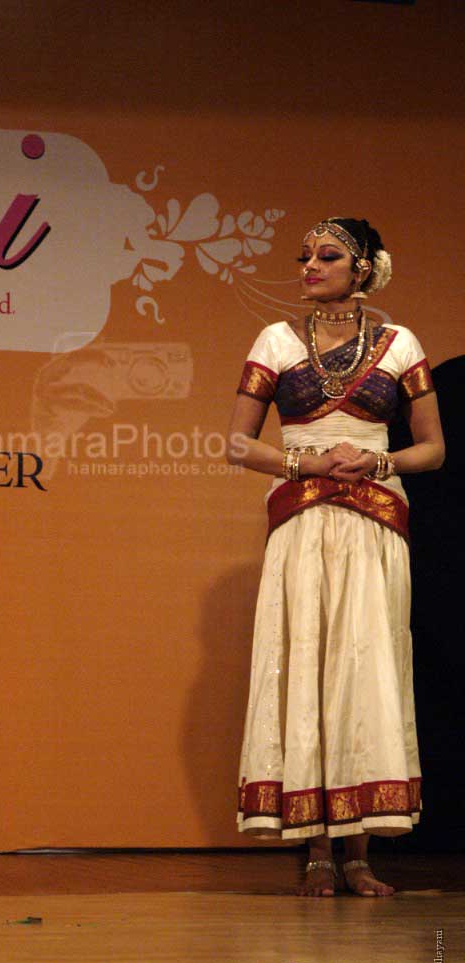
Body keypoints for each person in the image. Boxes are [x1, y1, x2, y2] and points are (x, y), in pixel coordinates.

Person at [228, 218, 444, 896]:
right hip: (303, 520)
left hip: (374, 521)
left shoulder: (400, 344)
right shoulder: (276, 341)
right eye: (305, 257)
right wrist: (308, 460)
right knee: (310, 664)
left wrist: (377, 458)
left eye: (327, 256)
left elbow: (433, 449)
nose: (309, 267)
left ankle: (358, 853)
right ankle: (317, 850)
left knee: (365, 667)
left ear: (364, 270)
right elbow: (238, 445)